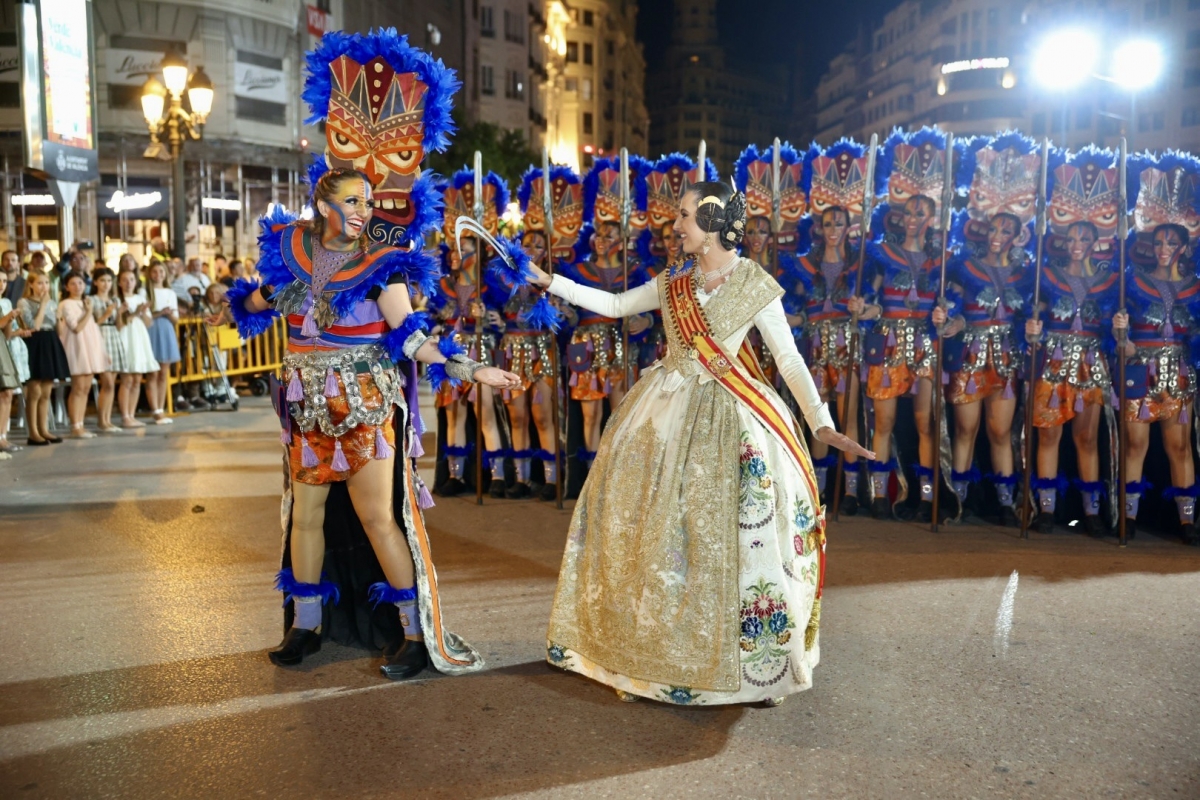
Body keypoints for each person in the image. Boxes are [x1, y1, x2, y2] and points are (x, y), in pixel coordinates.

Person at [528, 179, 872, 706]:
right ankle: (650, 660)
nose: (677, 225)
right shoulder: (673, 284)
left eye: (685, 216)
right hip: (664, 411)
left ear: (711, 223)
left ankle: (761, 668)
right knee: (657, 532)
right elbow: (617, 305)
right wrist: (550, 282)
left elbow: (789, 361)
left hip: (732, 417)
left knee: (744, 537)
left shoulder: (754, 283)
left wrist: (820, 422)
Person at [231, 165, 521, 677]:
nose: (364, 211)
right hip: (306, 406)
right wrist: (232, 307)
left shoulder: (382, 264)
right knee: (304, 516)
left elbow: (411, 338)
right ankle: (306, 625)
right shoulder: (292, 257)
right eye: (353, 201)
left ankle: (412, 633)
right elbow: (260, 301)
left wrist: (471, 368)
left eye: (368, 202)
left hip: (364, 404)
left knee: (377, 519)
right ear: (324, 207)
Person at [429, 169, 510, 497]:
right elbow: (426, 322)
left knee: (484, 412)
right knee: (453, 414)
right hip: (450, 354)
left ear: (479, 254)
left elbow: (504, 324)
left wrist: (488, 317)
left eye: (465, 248)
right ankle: (455, 476)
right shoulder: (442, 287)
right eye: (454, 247)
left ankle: (499, 476)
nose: (456, 253)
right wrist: (439, 320)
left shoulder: (491, 286)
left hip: (481, 352)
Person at [792, 205, 866, 514]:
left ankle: (850, 493)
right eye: (827, 224)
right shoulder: (805, 266)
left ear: (849, 227)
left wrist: (864, 310)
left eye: (839, 223)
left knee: (848, 417)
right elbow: (796, 309)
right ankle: (818, 490)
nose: (833, 228)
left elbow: (875, 311)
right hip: (816, 350)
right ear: (819, 229)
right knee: (818, 418)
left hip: (848, 348)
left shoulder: (861, 265)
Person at [16, 272, 69, 445]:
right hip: (35, 342)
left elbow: (59, 330)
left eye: (46, 282)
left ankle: (44, 429)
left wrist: (60, 318)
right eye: (39, 283)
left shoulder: (52, 303)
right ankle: (33, 433)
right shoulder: (24, 302)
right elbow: (34, 326)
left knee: (46, 390)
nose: (44, 286)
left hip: (50, 341)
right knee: (34, 390)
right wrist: (43, 305)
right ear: (31, 284)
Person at [57, 273, 108, 438]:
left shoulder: (86, 302)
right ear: (66, 287)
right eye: (73, 283)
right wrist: (89, 312)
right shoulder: (66, 304)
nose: (77, 286)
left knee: (86, 387)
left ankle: (81, 423)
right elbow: (76, 327)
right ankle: (75, 425)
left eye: (80, 283)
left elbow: (92, 329)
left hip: (89, 347)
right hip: (76, 347)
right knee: (78, 388)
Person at [116, 269, 159, 428]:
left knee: (136, 379)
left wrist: (144, 312)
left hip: (139, 337)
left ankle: (132, 414)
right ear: (119, 282)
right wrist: (136, 312)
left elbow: (148, 323)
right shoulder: (117, 299)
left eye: (131, 279)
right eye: (125, 279)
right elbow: (119, 324)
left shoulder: (140, 298)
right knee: (127, 379)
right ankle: (125, 415)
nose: (128, 283)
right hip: (126, 337)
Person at [90, 267, 126, 433]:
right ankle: (101, 420)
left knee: (112, 384)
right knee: (107, 383)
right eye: (103, 281)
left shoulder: (115, 300)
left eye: (109, 281)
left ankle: (107, 419)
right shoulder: (92, 300)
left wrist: (118, 313)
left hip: (113, 336)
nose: (106, 284)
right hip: (101, 337)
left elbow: (119, 326)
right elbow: (93, 324)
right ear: (96, 282)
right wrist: (106, 313)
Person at [145, 260, 180, 423]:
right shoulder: (145, 291)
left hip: (166, 329)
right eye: (154, 271)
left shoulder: (170, 293)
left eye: (161, 271)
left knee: (163, 373)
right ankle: (155, 409)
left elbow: (176, 319)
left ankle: (161, 407)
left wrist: (168, 313)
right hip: (151, 329)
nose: (158, 275)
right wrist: (159, 312)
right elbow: (143, 316)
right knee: (153, 373)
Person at [0, 270, 25, 456]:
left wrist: (10, 319)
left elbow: (7, 335)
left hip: (3, 349)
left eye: (4, 281)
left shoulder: (5, 303)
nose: (1, 284)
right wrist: (6, 318)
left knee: (7, 392)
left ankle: (2, 436)